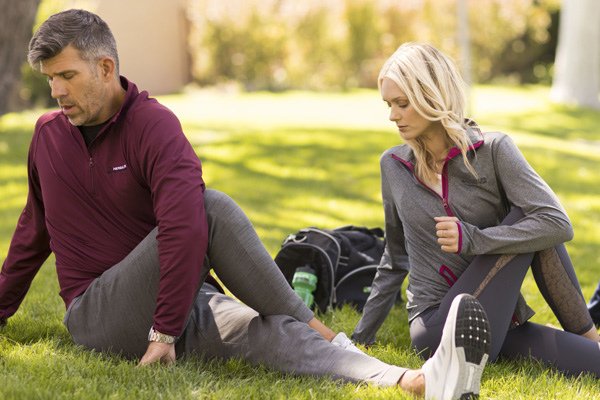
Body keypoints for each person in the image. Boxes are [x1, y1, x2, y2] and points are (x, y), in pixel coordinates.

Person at [0, 10, 492, 399]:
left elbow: (180, 233)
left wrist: (167, 326)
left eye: (66, 75)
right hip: (98, 313)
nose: (56, 91)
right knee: (207, 207)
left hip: (177, 300)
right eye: (50, 79)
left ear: (105, 68)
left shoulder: (153, 126)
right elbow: (32, 233)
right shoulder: (48, 138)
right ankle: (319, 327)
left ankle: (413, 382)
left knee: (266, 332)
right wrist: (162, 336)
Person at [351, 42, 600, 378]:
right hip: (437, 326)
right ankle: (590, 335)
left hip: (497, 321)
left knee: (592, 362)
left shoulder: (493, 150)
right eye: (389, 104)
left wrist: (475, 239)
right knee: (532, 217)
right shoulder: (394, 166)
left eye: (402, 104)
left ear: (432, 97)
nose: (393, 115)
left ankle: (590, 341)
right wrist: (360, 337)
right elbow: (395, 258)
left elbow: (558, 224)